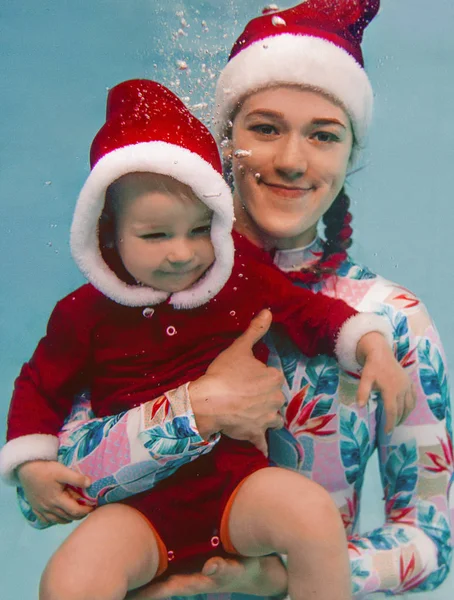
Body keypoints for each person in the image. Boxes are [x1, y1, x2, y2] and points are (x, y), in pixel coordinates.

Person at [1, 0, 452, 597]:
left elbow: (429, 541)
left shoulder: (391, 322)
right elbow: (52, 495)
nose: (292, 160)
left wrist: (279, 578)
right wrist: (198, 409)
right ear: (224, 143)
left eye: (323, 136)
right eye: (264, 128)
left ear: (351, 154)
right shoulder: (144, 291)